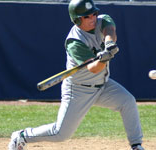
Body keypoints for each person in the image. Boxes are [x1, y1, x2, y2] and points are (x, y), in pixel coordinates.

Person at [8, 0, 144, 150]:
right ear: (77, 20)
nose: (93, 18)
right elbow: (93, 68)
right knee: (61, 133)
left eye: (94, 14)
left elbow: (110, 30)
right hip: (79, 90)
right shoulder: (74, 41)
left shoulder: (103, 19)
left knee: (128, 101)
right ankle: (22, 136)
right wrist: (104, 59)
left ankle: (136, 145)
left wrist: (109, 45)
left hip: (103, 85)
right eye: (87, 17)